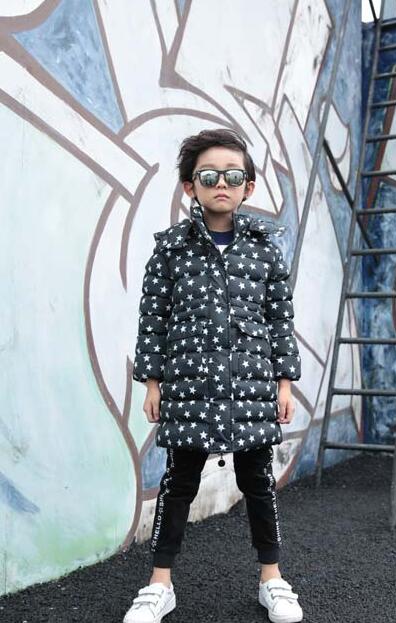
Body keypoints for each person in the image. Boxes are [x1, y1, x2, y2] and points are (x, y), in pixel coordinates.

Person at [123, 128, 303, 623]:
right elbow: (154, 319)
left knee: (258, 482)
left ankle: (272, 578)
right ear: (190, 186)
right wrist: (153, 384)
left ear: (248, 187)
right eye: (208, 176)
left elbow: (279, 319)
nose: (221, 184)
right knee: (179, 483)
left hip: (252, 388)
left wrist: (284, 385)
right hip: (189, 387)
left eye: (233, 176)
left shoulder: (264, 249)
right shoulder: (171, 250)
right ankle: (159, 584)